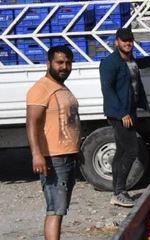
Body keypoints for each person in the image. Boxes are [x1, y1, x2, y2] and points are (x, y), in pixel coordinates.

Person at [99, 27, 150, 207]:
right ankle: (120, 192)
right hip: (119, 114)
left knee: (121, 152)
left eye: (130, 40)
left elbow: (140, 63)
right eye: (124, 40)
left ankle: (117, 191)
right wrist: (122, 113)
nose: (127, 43)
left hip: (130, 111)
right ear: (116, 42)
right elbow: (107, 90)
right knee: (131, 151)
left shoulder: (130, 60)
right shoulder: (109, 63)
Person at [26, 45, 82, 240]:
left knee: (61, 208)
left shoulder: (61, 87)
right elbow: (32, 123)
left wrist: (77, 150)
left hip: (67, 156)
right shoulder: (41, 88)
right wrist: (36, 154)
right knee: (55, 210)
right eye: (59, 62)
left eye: (68, 63)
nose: (64, 66)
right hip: (53, 158)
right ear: (48, 63)